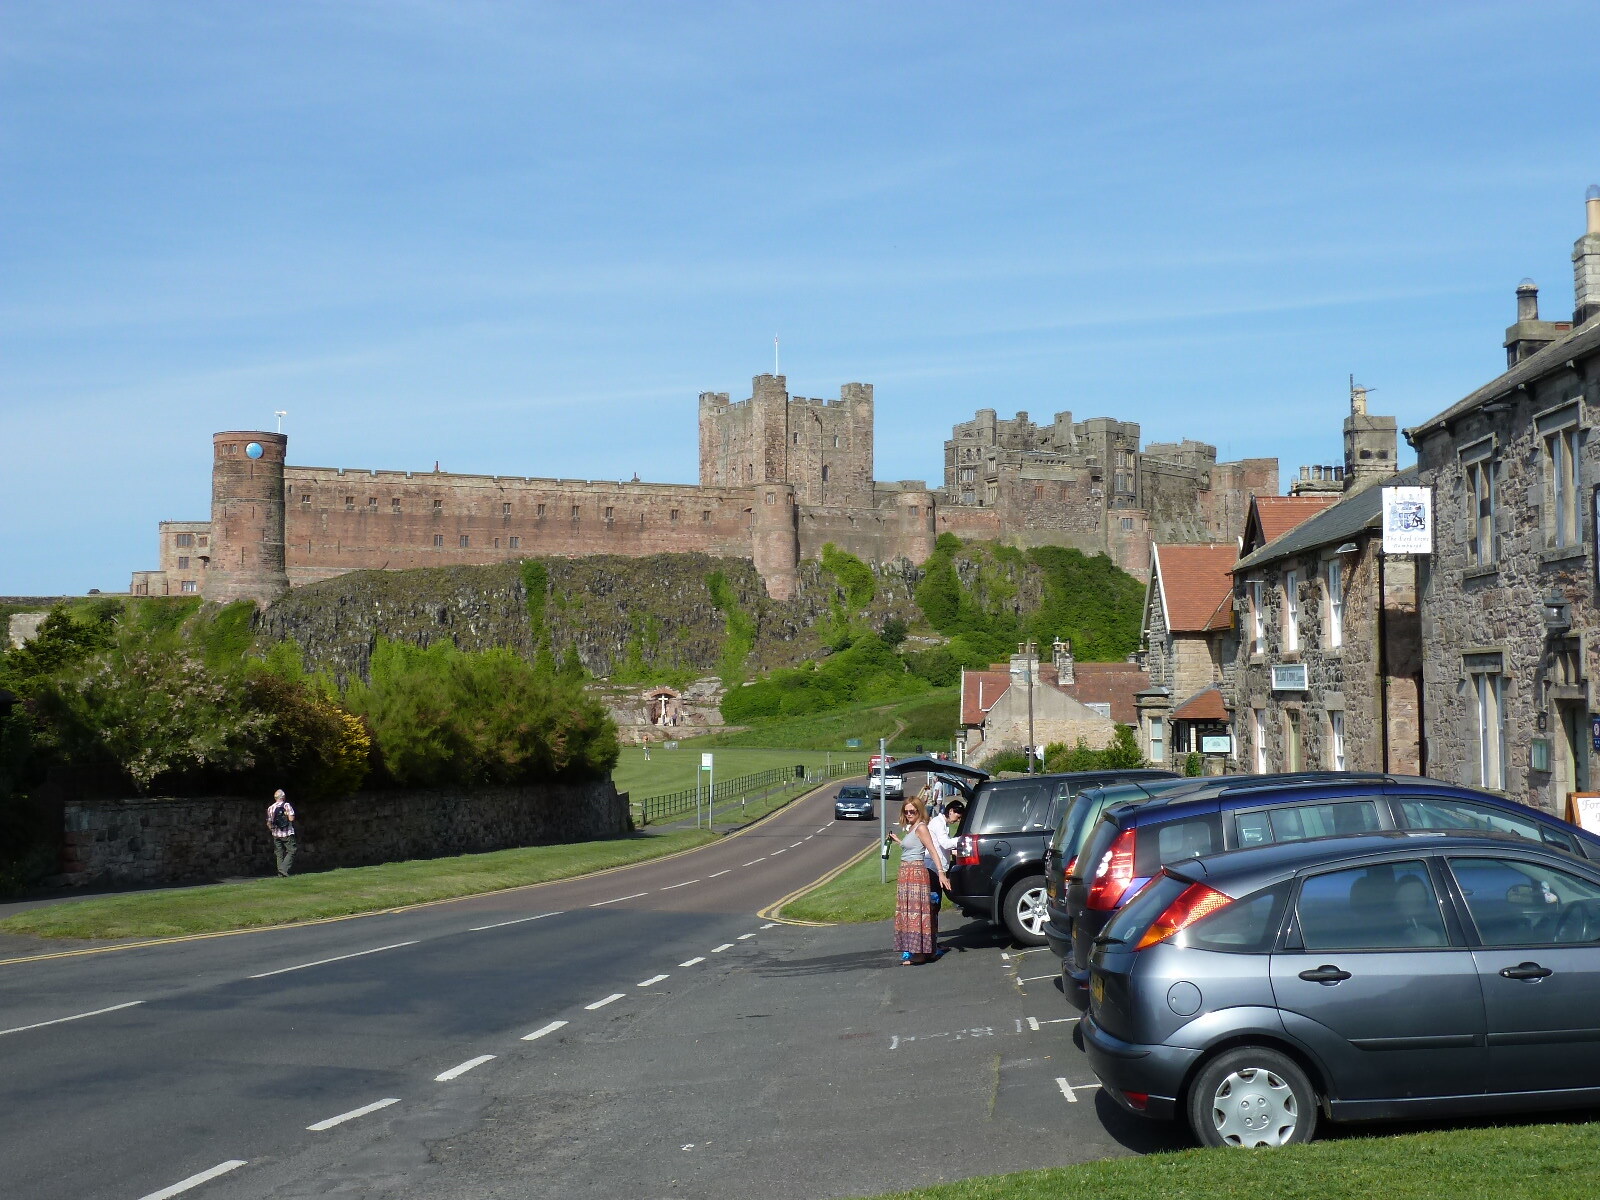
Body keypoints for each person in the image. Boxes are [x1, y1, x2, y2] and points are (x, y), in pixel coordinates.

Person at [888, 797, 951, 965]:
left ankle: (920, 953)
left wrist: (941, 873)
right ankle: (925, 951)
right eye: (906, 811)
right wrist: (899, 841)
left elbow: (932, 850)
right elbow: (913, 848)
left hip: (915, 873)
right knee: (911, 911)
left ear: (919, 811)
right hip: (907, 872)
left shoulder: (921, 827)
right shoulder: (912, 828)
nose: (909, 814)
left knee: (916, 912)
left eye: (912, 811)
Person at [267, 789, 297, 877]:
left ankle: (280, 874)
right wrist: (287, 814)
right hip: (287, 833)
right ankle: (283, 870)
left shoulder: (270, 808)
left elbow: (269, 823)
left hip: (276, 834)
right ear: (283, 797)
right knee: (292, 850)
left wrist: (272, 829)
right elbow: (291, 819)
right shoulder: (286, 805)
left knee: (279, 853)